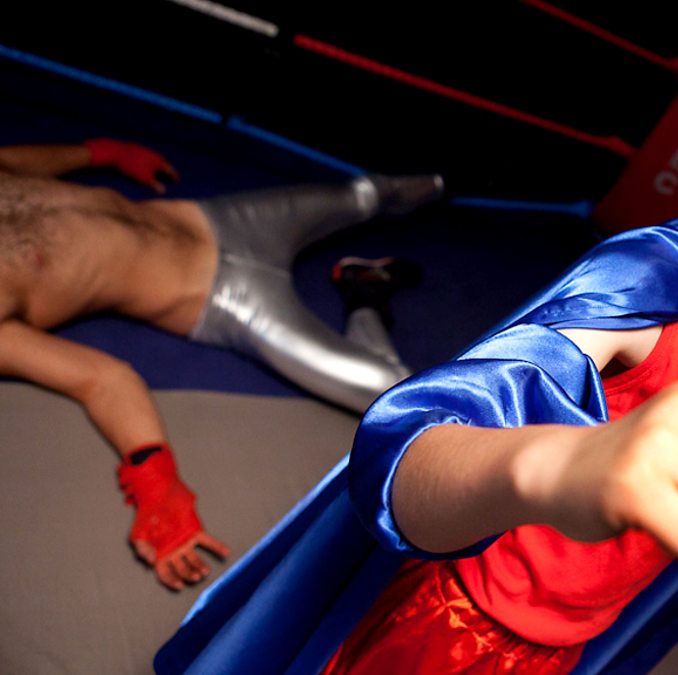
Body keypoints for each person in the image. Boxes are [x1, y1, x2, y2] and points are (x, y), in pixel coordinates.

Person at [156, 54, 678, 673]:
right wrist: (559, 462)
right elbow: (405, 451)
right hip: (451, 615)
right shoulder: (654, 284)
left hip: (565, 648)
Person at [0, 139, 442, 591]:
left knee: (366, 193)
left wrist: (98, 153)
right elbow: (103, 380)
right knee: (399, 395)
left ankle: (461, 180)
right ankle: (364, 294)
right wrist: (157, 485)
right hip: (224, 295)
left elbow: (10, 160)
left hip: (213, 218)